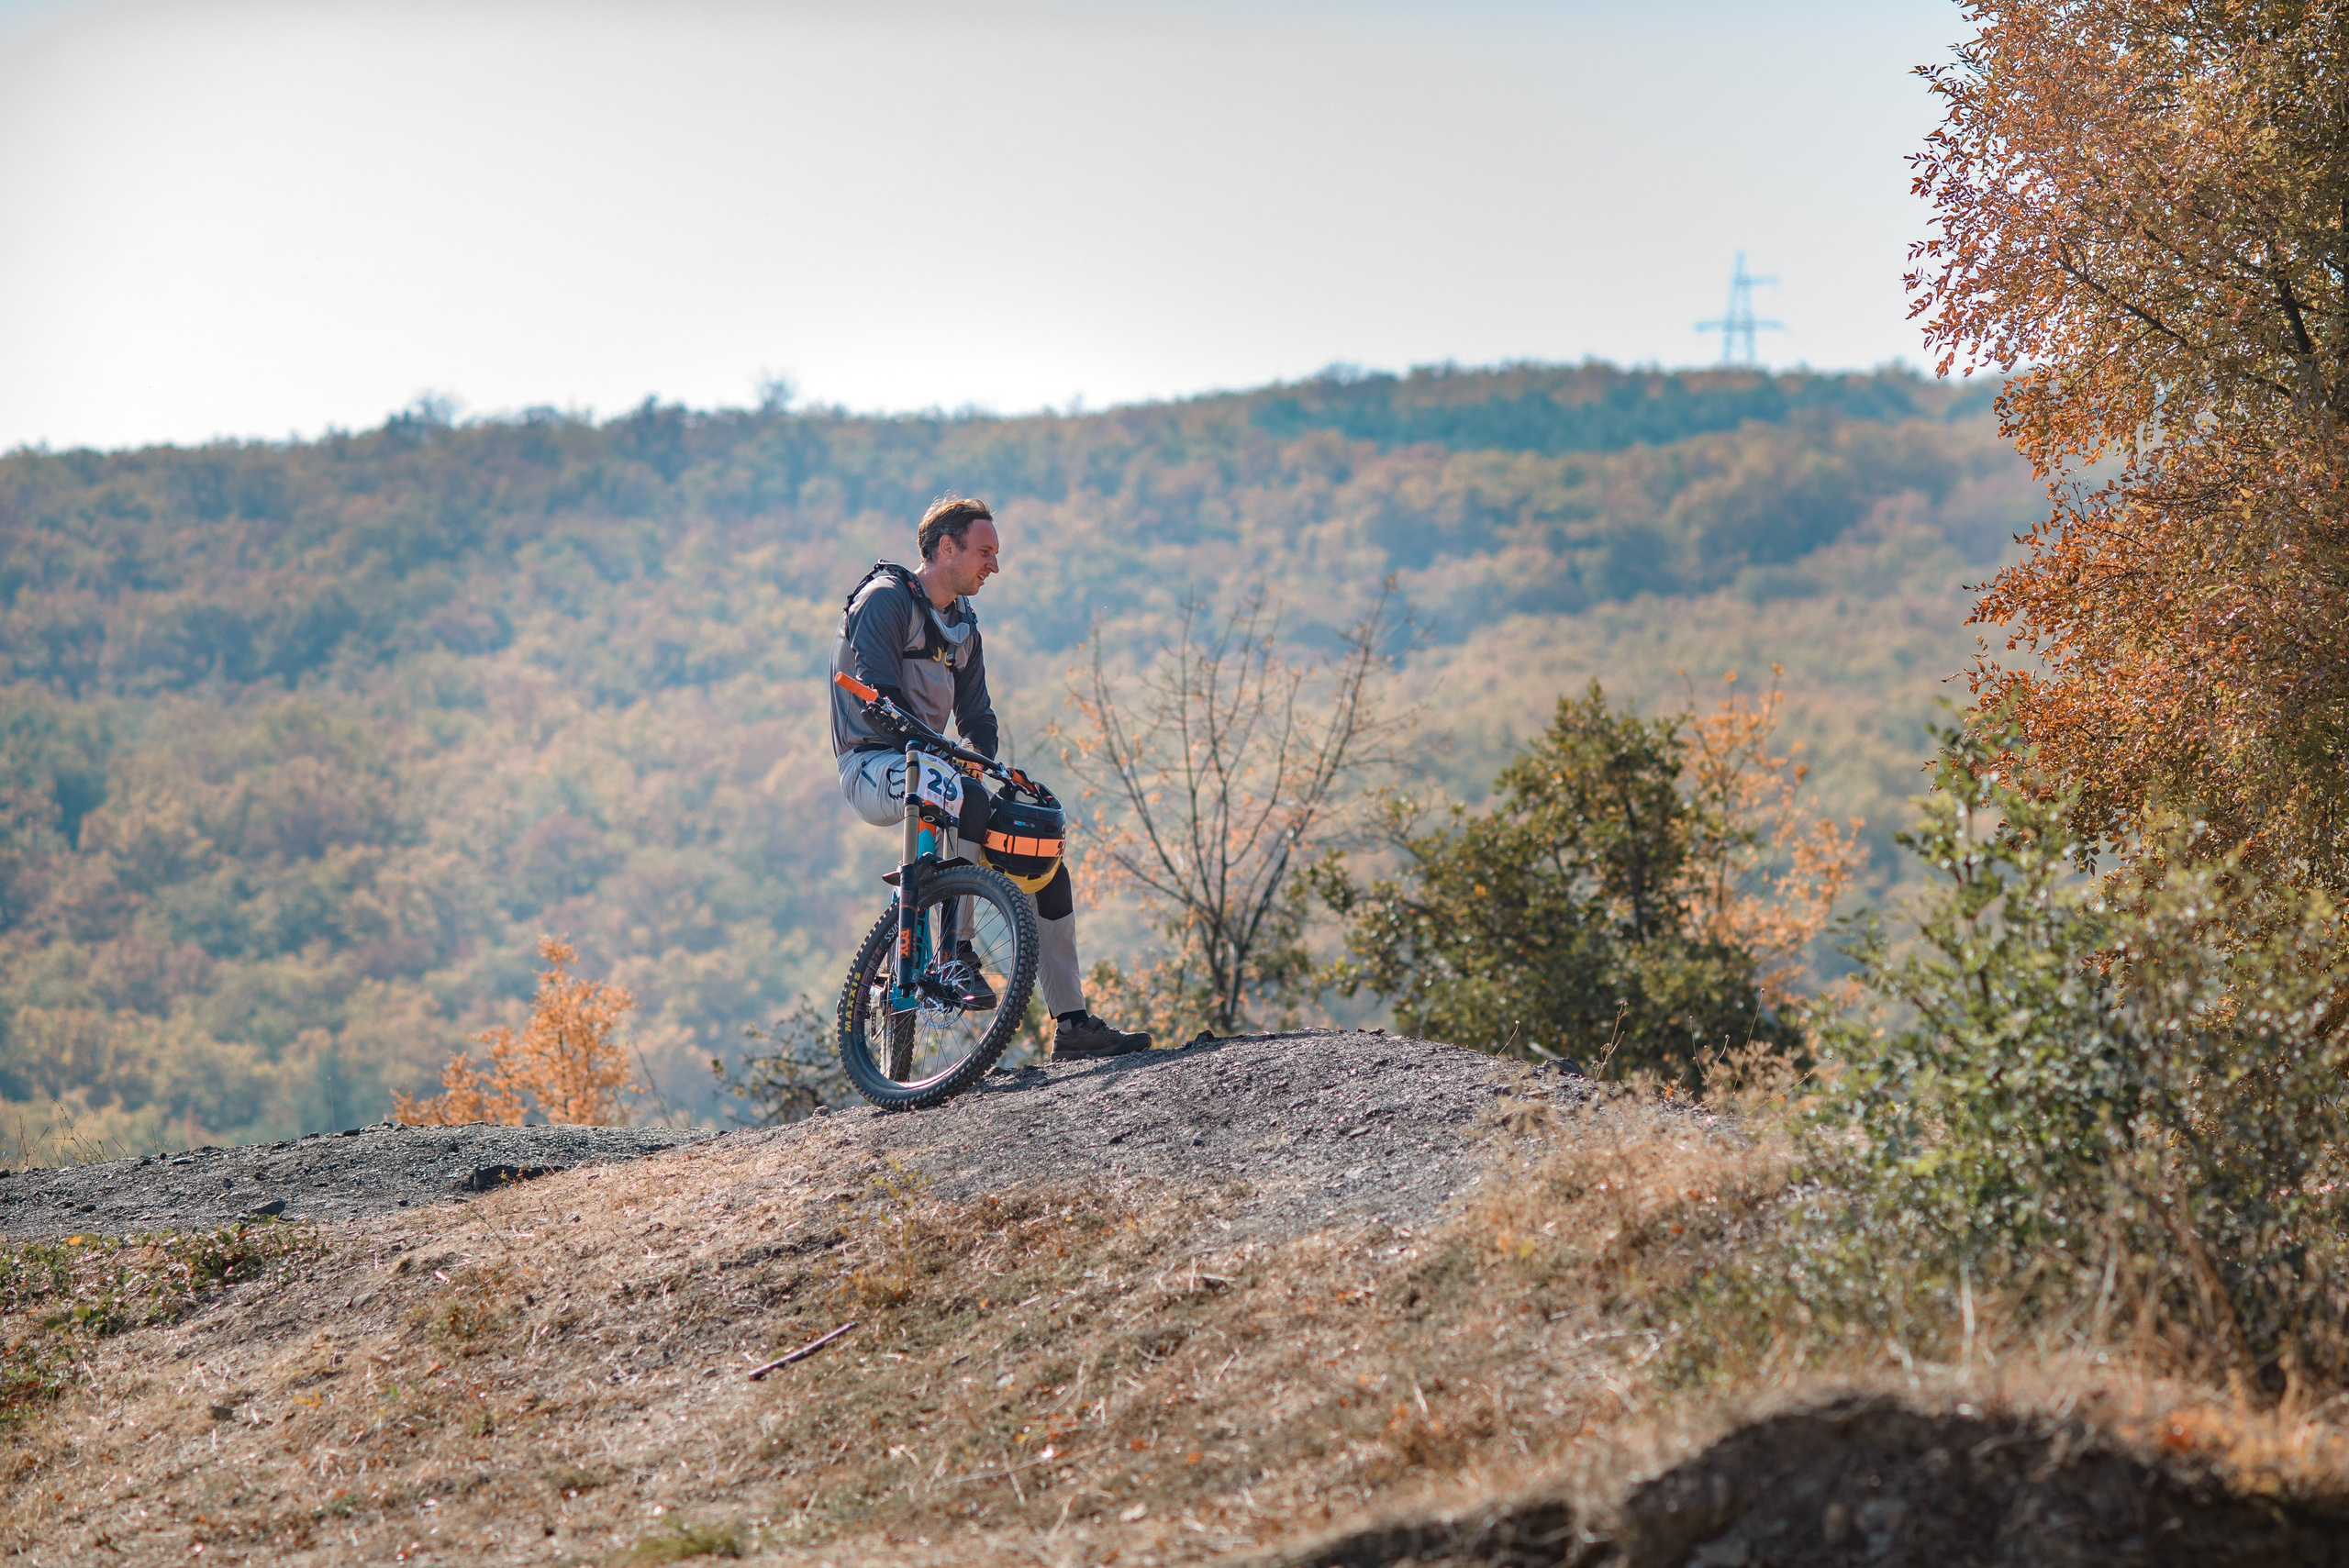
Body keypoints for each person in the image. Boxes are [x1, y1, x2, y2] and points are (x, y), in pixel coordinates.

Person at [829, 495, 1152, 1061]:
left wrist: (986, 763)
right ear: (945, 548)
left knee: (1038, 849)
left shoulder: (963, 625)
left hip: (933, 767)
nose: (994, 566)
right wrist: (958, 766)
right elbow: (881, 699)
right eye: (985, 552)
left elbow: (977, 717)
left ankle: (1073, 1023)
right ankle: (956, 955)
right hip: (874, 765)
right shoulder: (885, 602)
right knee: (961, 792)